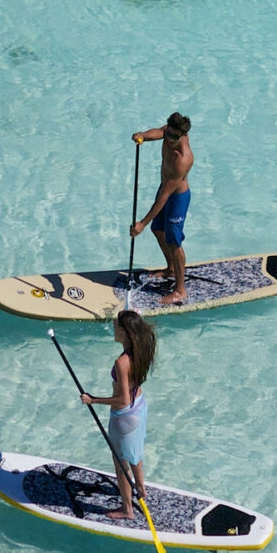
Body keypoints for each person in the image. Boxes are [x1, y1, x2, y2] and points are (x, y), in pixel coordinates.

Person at [79, 310, 156, 520]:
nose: (113, 329)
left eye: (115, 326)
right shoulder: (143, 349)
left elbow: (122, 400)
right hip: (140, 406)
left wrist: (93, 400)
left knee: (121, 464)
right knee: (136, 454)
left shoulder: (122, 362)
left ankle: (127, 510)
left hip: (124, 417)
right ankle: (141, 489)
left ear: (124, 332)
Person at [130, 112, 193, 305]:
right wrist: (143, 136)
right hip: (165, 190)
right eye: (170, 135)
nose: (171, 139)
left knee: (173, 240)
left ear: (183, 135)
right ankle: (171, 269)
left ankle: (180, 290)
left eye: (176, 137)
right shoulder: (168, 132)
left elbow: (164, 197)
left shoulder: (182, 159)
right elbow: (159, 132)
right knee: (158, 230)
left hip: (177, 198)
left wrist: (141, 223)